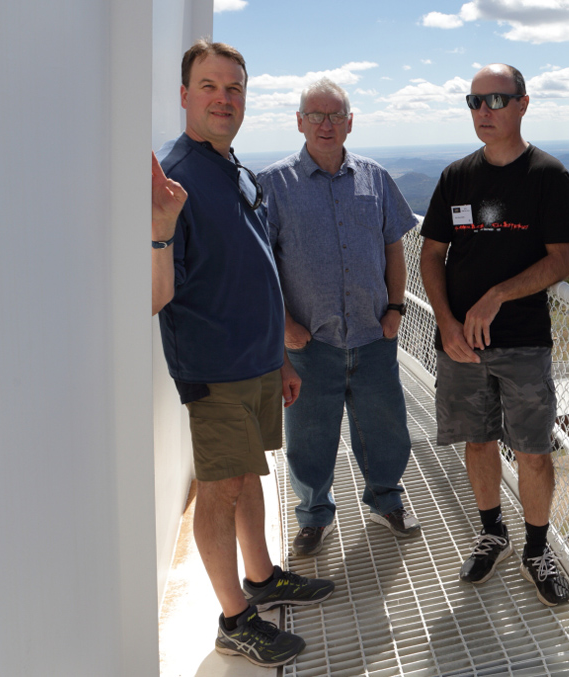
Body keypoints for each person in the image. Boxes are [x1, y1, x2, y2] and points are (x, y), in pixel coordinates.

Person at [152, 39, 334, 668]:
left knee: (249, 473)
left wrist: (279, 358)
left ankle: (260, 575)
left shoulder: (232, 169)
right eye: (209, 86)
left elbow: (255, 269)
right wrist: (158, 227)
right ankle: (234, 617)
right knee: (219, 488)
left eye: (234, 88)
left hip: (257, 363)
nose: (224, 99)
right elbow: (155, 296)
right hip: (215, 368)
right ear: (184, 96)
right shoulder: (175, 178)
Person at [419, 63, 569, 607]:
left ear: (523, 104)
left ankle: (537, 550)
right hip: (461, 344)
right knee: (477, 439)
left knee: (534, 452)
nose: (483, 112)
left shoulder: (548, 176)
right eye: (474, 101)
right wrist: (445, 322)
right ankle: (493, 531)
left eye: (496, 100)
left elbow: (563, 260)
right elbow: (432, 254)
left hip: (523, 341)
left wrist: (496, 295)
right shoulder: (455, 177)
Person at [259, 78, 420, 556]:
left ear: (350, 122)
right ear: (299, 122)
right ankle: (313, 516)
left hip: (374, 335)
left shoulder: (375, 177)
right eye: (315, 115)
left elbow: (395, 245)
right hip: (310, 342)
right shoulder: (273, 184)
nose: (325, 125)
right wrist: (285, 325)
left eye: (335, 116)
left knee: (385, 427)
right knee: (309, 435)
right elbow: (262, 262)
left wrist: (396, 307)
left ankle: (387, 499)